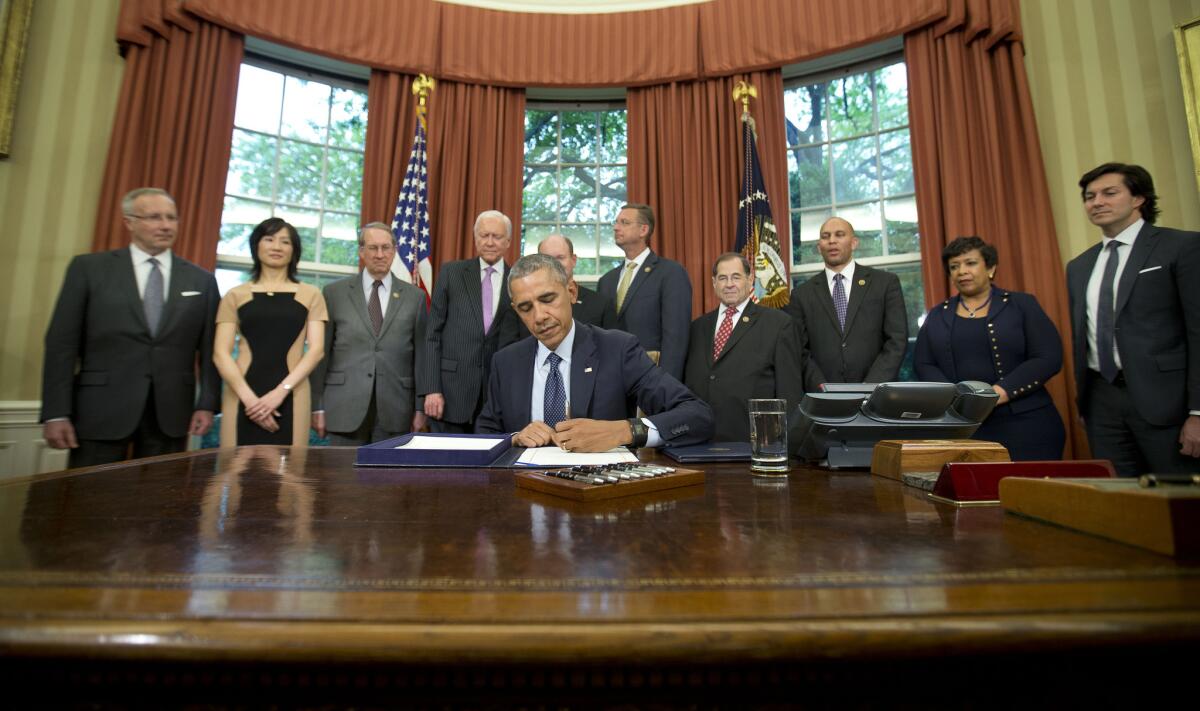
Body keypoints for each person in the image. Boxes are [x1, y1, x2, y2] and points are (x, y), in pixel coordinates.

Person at [40, 188, 221, 467]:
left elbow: (211, 350)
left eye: (171, 218)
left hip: (170, 414)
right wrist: (56, 413)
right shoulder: (89, 269)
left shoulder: (202, 281)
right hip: (99, 410)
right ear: (129, 222)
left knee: (158, 501)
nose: (165, 225)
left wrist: (207, 403)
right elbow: (61, 344)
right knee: (89, 501)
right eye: (154, 217)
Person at [476, 254, 714, 451]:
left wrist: (624, 431)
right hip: (525, 495)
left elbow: (697, 416)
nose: (539, 317)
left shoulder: (618, 349)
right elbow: (485, 433)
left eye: (547, 299)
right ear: (516, 311)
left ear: (571, 292)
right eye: (526, 308)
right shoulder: (505, 362)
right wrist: (515, 437)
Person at [1066, 162, 1200, 476]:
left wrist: (1198, 412)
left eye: (1109, 193)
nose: (1096, 202)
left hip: (1167, 402)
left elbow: (1198, 331)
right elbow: (1081, 338)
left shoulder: (1181, 247)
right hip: (1102, 401)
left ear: (1138, 198)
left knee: (1181, 507)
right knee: (1122, 505)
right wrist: (1085, 402)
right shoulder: (1079, 266)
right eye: (1089, 196)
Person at [914, 237, 1065, 460]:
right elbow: (923, 363)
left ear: (991, 268)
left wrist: (997, 394)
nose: (961, 271)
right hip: (963, 426)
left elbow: (1048, 357)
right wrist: (956, 397)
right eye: (954, 267)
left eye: (970, 263)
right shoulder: (937, 314)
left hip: (1027, 422)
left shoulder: (1022, 304)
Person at [213, 218, 327, 447]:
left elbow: (316, 351)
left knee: (289, 476)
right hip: (241, 395)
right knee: (236, 472)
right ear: (256, 246)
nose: (276, 246)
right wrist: (251, 401)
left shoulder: (311, 294)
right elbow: (220, 354)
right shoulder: (235, 295)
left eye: (285, 241)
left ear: (294, 250)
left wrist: (279, 393)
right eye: (269, 239)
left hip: (292, 394)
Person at [311, 222, 427, 445]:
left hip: (396, 408)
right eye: (373, 248)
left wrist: (420, 407)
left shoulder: (415, 297)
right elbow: (321, 354)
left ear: (394, 251)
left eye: (386, 248)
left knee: (388, 479)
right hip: (343, 406)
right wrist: (317, 406)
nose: (380, 255)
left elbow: (421, 357)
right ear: (361, 252)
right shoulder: (334, 293)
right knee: (341, 478)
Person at [419, 210, 523, 433]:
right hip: (449, 395)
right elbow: (432, 335)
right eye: (484, 235)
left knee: (491, 466)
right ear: (475, 238)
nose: (490, 242)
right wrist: (431, 389)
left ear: (508, 241)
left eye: (496, 236)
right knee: (447, 465)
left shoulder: (519, 281)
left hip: (498, 395)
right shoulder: (451, 273)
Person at [684, 253, 805, 442]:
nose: (729, 284)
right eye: (722, 278)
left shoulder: (778, 324)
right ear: (714, 282)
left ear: (750, 280)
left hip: (754, 441)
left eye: (736, 277)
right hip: (699, 440)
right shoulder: (697, 327)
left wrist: (784, 445)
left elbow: (789, 391)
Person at [784, 216, 908, 392]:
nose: (832, 241)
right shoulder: (801, 295)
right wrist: (822, 388)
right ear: (819, 247)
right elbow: (800, 350)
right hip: (824, 400)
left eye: (839, 234)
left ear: (854, 242)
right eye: (825, 236)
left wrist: (871, 387)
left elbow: (897, 340)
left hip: (877, 397)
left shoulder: (885, 283)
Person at [596, 203, 692, 379]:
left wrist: (666, 385)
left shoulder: (670, 273)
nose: (616, 228)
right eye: (615, 222)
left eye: (624, 222)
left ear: (643, 230)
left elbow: (676, 337)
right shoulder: (606, 281)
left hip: (652, 378)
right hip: (612, 379)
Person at [537, 233, 616, 328]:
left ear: (573, 260)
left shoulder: (601, 304)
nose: (554, 264)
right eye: (547, 259)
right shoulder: (524, 305)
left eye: (560, 257)